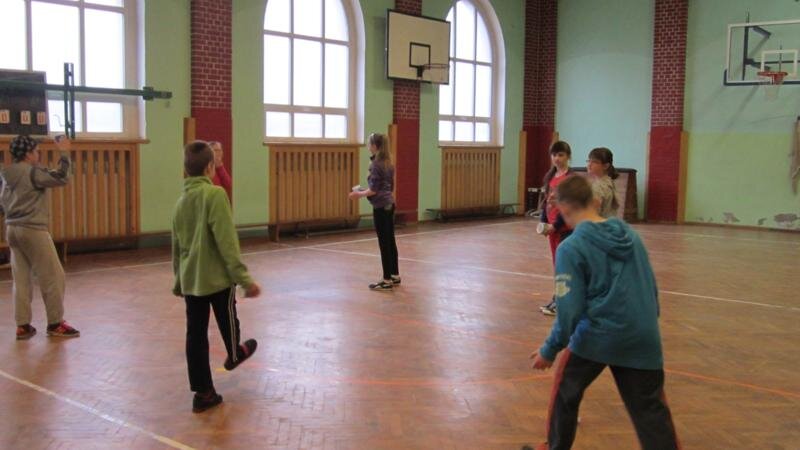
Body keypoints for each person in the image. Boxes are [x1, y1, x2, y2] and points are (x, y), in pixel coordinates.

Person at [529, 176, 680, 450]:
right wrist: (645, 324)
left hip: (597, 337)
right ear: (595, 202)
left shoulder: (570, 248)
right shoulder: (631, 236)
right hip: (642, 335)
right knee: (650, 412)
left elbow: (569, 310)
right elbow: (651, 287)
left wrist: (549, 350)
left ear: (563, 208)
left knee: (565, 394)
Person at [172, 140, 261, 413]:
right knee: (227, 317)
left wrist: (179, 281)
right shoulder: (215, 195)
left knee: (195, 335)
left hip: (192, 280)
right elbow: (227, 241)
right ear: (210, 167)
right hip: (218, 278)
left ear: (185, 170)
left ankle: (203, 393)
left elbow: (177, 247)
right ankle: (234, 354)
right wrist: (244, 279)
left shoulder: (180, 202)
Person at [1, 135, 79, 340]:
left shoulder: (6, 175)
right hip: (33, 229)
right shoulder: (32, 172)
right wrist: (64, 152)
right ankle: (55, 323)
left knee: (21, 279)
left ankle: (22, 325)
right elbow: (62, 177)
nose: (38, 154)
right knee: (53, 276)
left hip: (11, 229)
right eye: (36, 151)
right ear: (28, 154)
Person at [348, 133, 400, 291]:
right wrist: (366, 191)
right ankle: (394, 275)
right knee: (390, 241)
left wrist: (358, 194)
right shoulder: (388, 163)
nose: (367, 145)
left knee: (384, 243)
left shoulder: (376, 164)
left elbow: (374, 190)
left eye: (369, 143)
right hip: (389, 204)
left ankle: (386, 279)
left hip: (381, 207)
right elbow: (388, 187)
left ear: (375, 146)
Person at [539, 141, 574, 316]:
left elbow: (567, 207)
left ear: (568, 156)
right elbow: (546, 202)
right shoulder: (550, 177)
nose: (557, 158)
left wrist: (555, 225)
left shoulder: (570, 179)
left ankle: (562, 302)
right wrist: (544, 222)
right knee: (557, 265)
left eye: (561, 155)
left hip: (564, 229)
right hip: (553, 229)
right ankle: (559, 298)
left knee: (564, 267)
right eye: (554, 155)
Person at [586, 147, 619, 218]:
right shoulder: (609, 181)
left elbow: (594, 213)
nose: (589, 164)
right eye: (588, 161)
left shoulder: (598, 187)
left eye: (594, 162)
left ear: (606, 166)